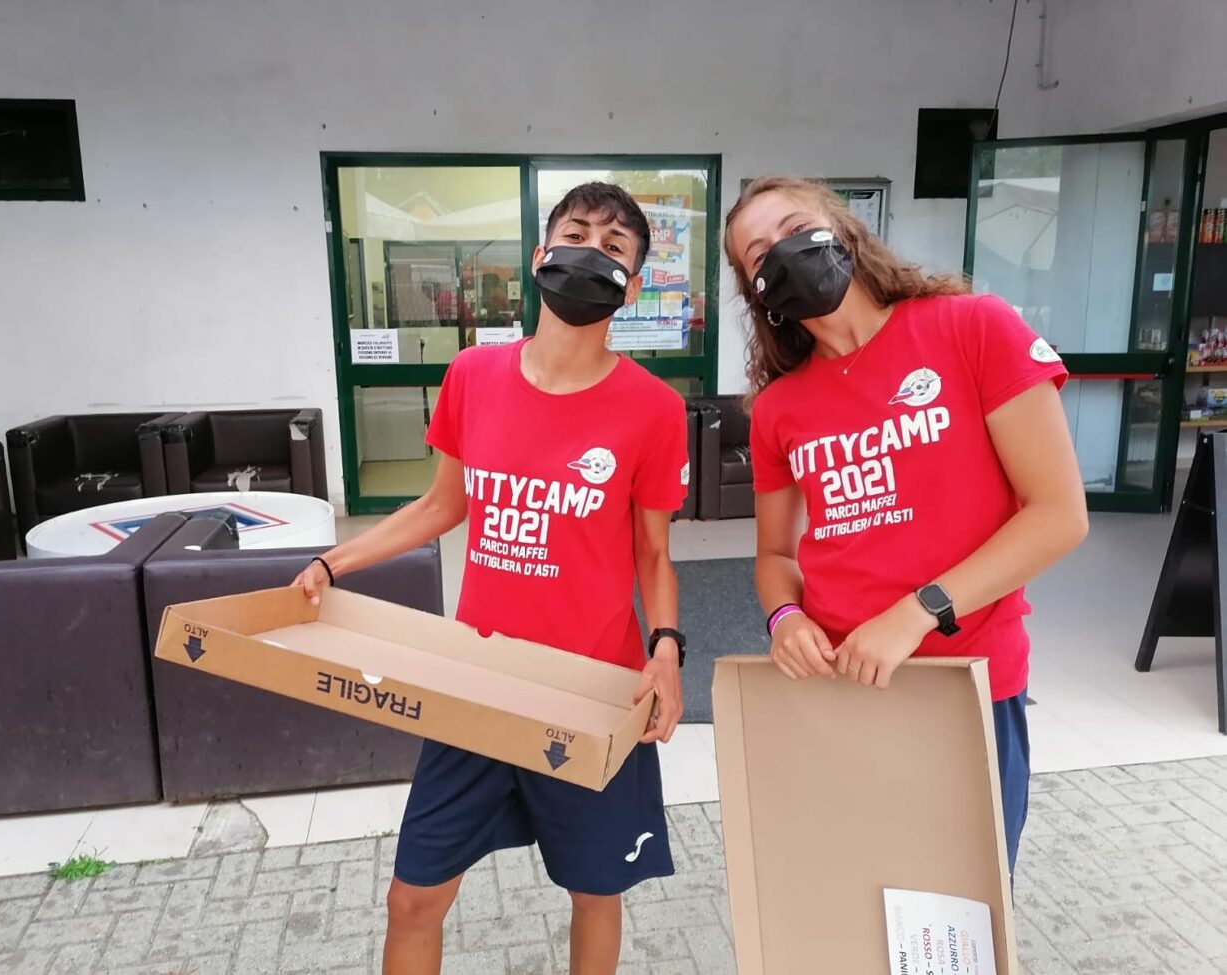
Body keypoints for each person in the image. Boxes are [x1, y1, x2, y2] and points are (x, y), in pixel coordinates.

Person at [294, 181, 690, 975]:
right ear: (540, 256)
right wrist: (336, 561)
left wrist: (668, 649)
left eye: (614, 247)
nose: (591, 252)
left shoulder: (652, 407)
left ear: (632, 286)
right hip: (477, 684)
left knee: (595, 892)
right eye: (576, 234)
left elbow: (652, 552)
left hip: (590, 689)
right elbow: (443, 504)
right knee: (412, 898)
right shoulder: (474, 374)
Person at [723, 176, 1089, 876]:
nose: (784, 252)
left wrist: (916, 613)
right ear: (757, 292)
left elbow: (1059, 514)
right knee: (853, 892)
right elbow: (774, 554)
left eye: (796, 228)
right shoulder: (778, 409)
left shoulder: (972, 327)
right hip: (840, 688)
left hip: (965, 681)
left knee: (961, 906)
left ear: (844, 230)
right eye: (760, 253)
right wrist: (785, 618)